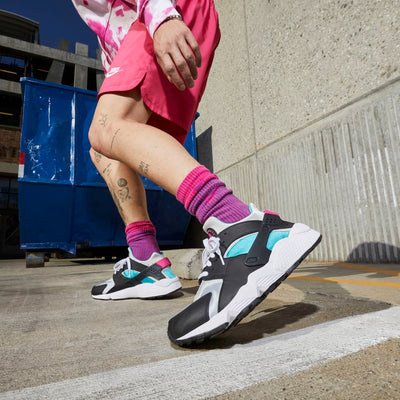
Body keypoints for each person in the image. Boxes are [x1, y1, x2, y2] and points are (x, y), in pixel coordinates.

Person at [72, 0, 321, 347]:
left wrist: (162, 16)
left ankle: (239, 227)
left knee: (107, 126)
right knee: (104, 148)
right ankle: (145, 260)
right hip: (139, 32)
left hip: (161, 14)